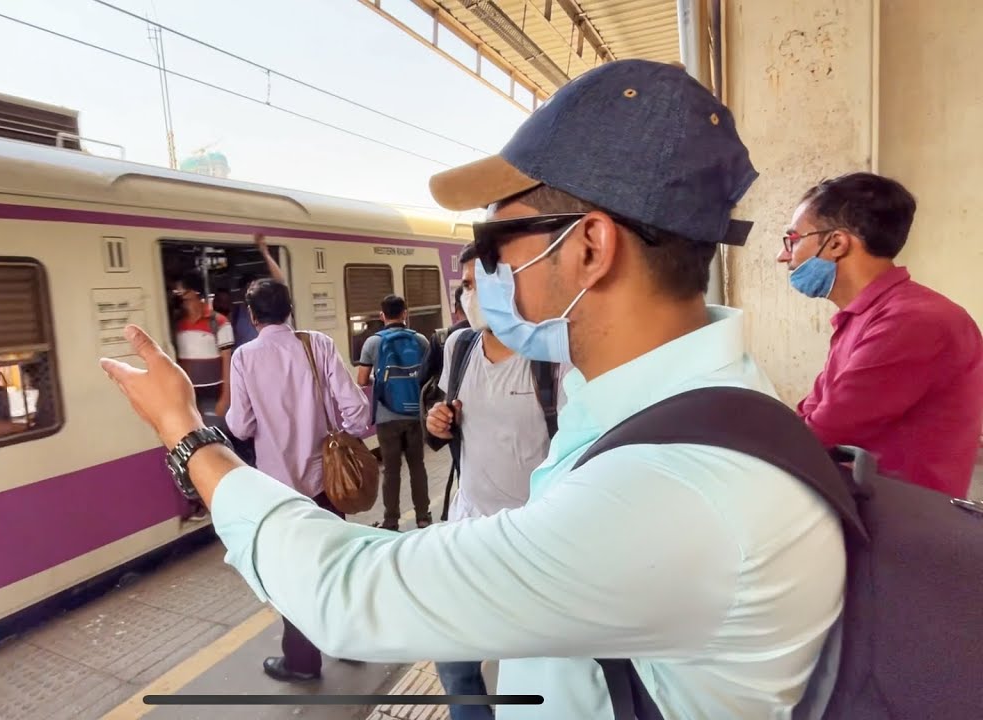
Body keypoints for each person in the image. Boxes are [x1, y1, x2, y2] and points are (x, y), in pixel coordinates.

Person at [100, 59, 845, 718]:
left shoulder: (677, 490)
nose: (482, 267)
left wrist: (184, 431)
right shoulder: (687, 403)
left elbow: (349, 593)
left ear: (590, 245)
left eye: (496, 241)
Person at [424, 244, 564, 719]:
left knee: (533, 670)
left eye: (475, 285)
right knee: (453, 658)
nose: (466, 296)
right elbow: (451, 414)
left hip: (535, 540)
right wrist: (439, 422)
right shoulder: (458, 347)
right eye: (462, 286)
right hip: (468, 528)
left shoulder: (552, 355)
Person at [779, 172, 983, 497]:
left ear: (836, 243)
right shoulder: (865, 316)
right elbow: (813, 410)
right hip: (870, 499)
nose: (784, 256)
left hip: (904, 521)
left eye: (793, 240)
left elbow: (822, 431)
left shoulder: (914, 322)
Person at [224, 278, 370, 682]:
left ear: (253, 317)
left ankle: (303, 662)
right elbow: (355, 410)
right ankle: (353, 642)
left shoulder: (243, 358)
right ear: (290, 309)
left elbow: (239, 423)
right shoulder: (317, 344)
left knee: (291, 573)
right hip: (328, 483)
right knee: (337, 562)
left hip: (278, 493)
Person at [356, 295, 431, 530]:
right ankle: (423, 516)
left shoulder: (372, 343)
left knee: (391, 469)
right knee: (417, 465)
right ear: (405, 313)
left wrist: (380, 380)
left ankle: (391, 520)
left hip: (387, 416)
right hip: (414, 414)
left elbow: (361, 380)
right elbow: (428, 376)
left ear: (382, 316)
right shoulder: (420, 340)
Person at [171, 270, 235, 520]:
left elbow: (227, 363)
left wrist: (225, 398)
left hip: (213, 394)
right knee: (192, 451)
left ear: (195, 292)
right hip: (189, 396)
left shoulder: (218, 323)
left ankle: (222, 499)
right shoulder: (176, 324)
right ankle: (203, 498)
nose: (178, 297)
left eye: (181, 291)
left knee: (216, 449)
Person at [230, 233, 287, 351]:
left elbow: (280, 282)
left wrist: (265, 253)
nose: (248, 292)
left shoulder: (269, 306)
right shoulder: (236, 312)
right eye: (245, 289)